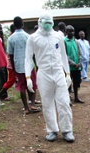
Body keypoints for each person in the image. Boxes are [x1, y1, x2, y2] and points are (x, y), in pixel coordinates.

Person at [25, 11, 75, 142]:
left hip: (58, 72)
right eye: (45, 23)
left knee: (64, 102)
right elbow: (28, 58)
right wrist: (28, 77)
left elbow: (63, 55)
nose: (47, 25)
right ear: (40, 22)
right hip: (44, 73)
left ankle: (67, 130)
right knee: (47, 103)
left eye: (49, 23)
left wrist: (67, 73)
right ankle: (52, 129)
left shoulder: (58, 36)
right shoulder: (33, 38)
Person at [7, 16, 40, 114]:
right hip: (29, 65)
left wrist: (13, 68)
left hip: (18, 66)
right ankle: (32, 104)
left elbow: (11, 55)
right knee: (32, 84)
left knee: (22, 87)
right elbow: (33, 53)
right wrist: (36, 64)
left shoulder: (10, 39)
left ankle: (26, 108)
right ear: (22, 24)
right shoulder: (28, 36)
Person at [65, 25, 84, 103]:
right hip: (69, 68)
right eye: (70, 31)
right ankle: (68, 99)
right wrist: (73, 63)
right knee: (68, 83)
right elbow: (64, 55)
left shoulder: (76, 41)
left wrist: (79, 62)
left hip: (77, 67)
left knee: (76, 83)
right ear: (66, 32)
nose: (72, 33)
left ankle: (76, 97)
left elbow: (80, 53)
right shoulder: (64, 41)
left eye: (73, 31)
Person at [0, 24, 16, 101]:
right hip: (12, 64)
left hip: (13, 63)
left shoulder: (11, 37)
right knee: (10, 81)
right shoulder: (12, 38)